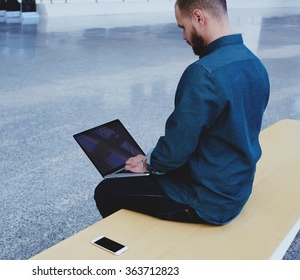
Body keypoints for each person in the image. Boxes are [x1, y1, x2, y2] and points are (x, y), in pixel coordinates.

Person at [94, 0, 270, 225]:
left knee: (107, 190)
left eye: (182, 27)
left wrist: (149, 164)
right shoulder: (254, 63)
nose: (184, 36)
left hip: (207, 201)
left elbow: (177, 148)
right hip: (237, 189)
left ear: (198, 17)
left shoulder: (203, 73)